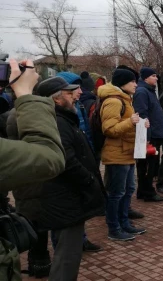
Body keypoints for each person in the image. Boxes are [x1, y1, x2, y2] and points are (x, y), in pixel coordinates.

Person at [28, 77, 106, 280]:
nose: (74, 96)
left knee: (69, 252)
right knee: (67, 256)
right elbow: (67, 160)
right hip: (65, 198)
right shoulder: (57, 122)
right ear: (56, 99)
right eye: (68, 93)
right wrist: (89, 180)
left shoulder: (63, 118)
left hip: (67, 197)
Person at [0, 59, 65, 278]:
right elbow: (49, 158)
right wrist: (26, 96)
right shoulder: (17, 116)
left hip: (32, 184)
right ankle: (38, 264)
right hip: (29, 187)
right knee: (34, 224)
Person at [53, 72, 103, 253]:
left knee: (79, 207)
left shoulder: (76, 107)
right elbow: (67, 155)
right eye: (74, 89)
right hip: (74, 169)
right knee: (67, 216)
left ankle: (81, 239)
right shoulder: (58, 118)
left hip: (86, 159)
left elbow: (85, 132)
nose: (80, 92)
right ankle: (65, 247)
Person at [100, 68, 148, 241]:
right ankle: (114, 228)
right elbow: (109, 129)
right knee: (116, 193)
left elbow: (125, 124)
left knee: (128, 190)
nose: (136, 84)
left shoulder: (125, 99)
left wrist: (140, 124)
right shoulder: (113, 101)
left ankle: (124, 223)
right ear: (122, 83)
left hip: (127, 152)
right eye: (132, 81)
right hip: (116, 154)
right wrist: (130, 121)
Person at [133, 67, 163, 202]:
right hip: (150, 136)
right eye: (153, 76)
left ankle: (143, 190)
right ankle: (148, 192)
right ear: (146, 77)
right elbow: (142, 115)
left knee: (149, 165)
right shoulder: (142, 92)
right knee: (148, 166)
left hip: (155, 134)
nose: (156, 78)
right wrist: (147, 138)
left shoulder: (149, 91)